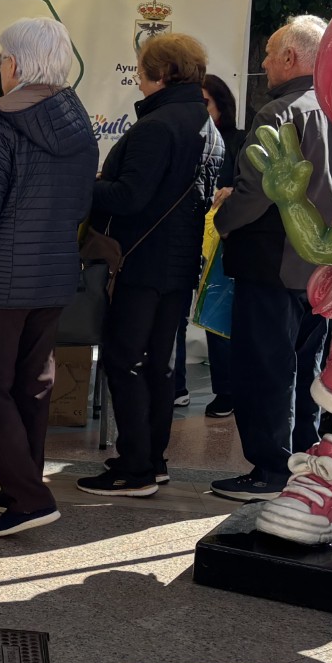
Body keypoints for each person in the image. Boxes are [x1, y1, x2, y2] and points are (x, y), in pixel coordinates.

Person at [0, 18, 98, 536]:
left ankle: (29, 497)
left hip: (3, 277)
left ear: (14, 65)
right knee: (34, 383)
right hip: (53, 273)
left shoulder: (2, 119)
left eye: (2, 58)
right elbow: (81, 203)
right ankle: (19, 481)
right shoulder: (76, 119)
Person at [79, 35, 224, 496]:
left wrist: (85, 184)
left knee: (125, 361)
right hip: (179, 264)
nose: (138, 78)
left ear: (159, 75)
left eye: (141, 70)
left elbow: (130, 197)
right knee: (158, 365)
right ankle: (152, 460)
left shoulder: (157, 126)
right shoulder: (206, 125)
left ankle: (134, 466)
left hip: (140, 261)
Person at [210, 16, 332, 501]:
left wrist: (221, 220)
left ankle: (270, 469)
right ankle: (301, 460)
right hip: (324, 263)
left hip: (273, 260)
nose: (263, 62)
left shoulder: (280, 112)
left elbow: (255, 191)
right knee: (306, 368)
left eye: (269, 52)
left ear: (291, 57)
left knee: (264, 368)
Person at [177, 72, 244, 418]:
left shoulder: (240, 140)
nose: (200, 109)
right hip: (185, 237)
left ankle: (227, 391)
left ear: (222, 104)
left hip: (222, 244)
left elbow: (253, 189)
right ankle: (176, 387)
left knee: (219, 318)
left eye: (206, 102)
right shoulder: (186, 138)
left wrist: (234, 192)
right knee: (175, 313)